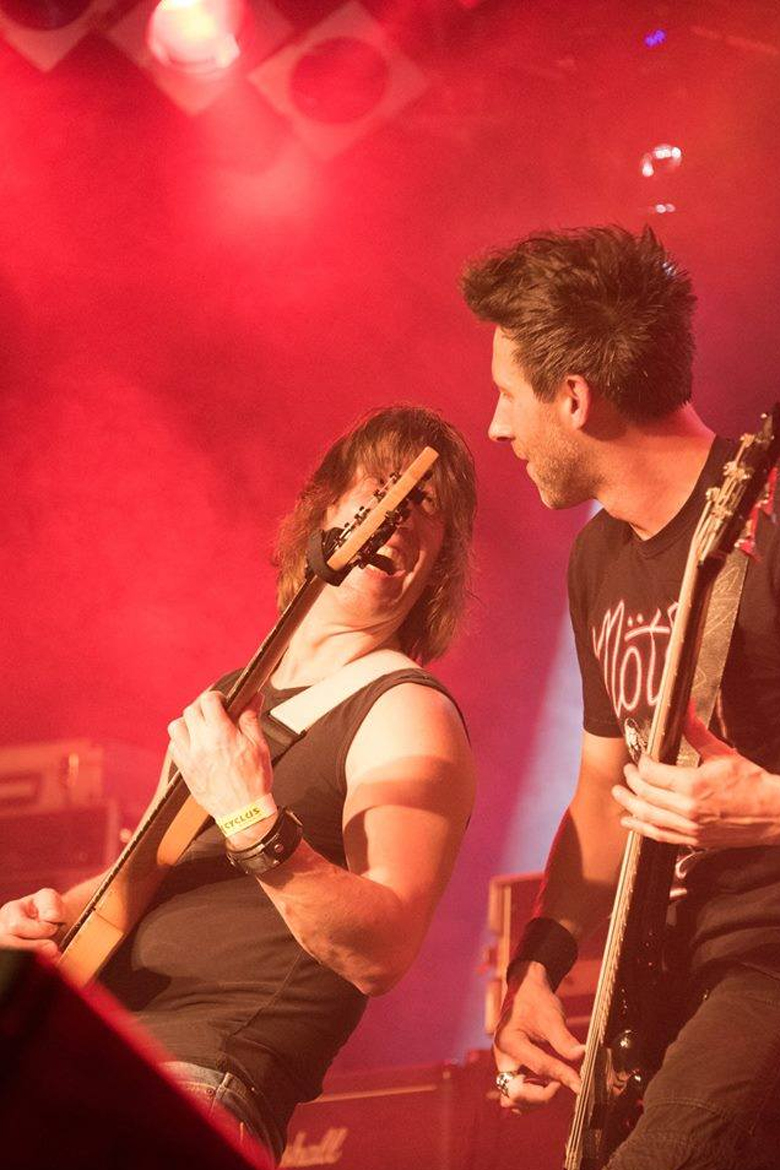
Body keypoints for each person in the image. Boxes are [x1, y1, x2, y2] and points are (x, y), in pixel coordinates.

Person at [0, 405, 477, 1164]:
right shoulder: (235, 696)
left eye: (430, 508)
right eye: (386, 487)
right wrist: (48, 917)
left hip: (201, 1075)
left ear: (438, 569)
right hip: (103, 1054)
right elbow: (149, 874)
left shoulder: (405, 711)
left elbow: (384, 949)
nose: (401, 518)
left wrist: (253, 819)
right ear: (324, 510)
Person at [462, 226, 780, 1169]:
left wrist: (771, 807)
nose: (496, 427)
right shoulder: (597, 557)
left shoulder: (771, 511)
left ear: (574, 397)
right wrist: (539, 964)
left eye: (508, 394)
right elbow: (605, 795)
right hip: (670, 975)